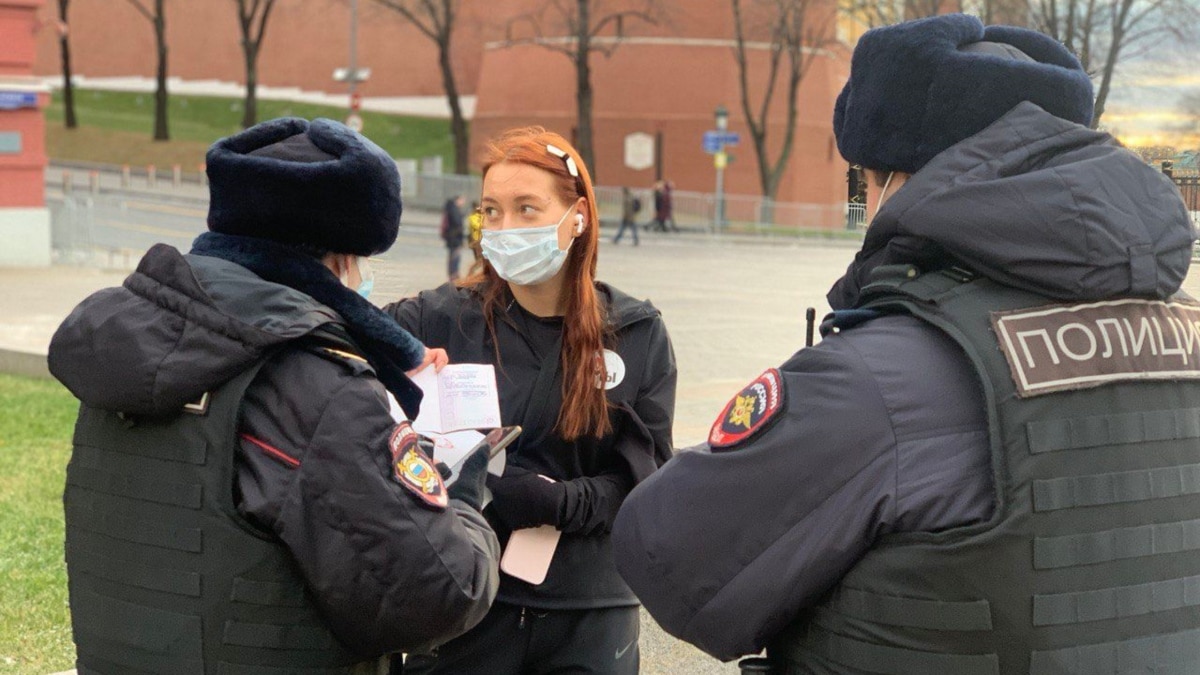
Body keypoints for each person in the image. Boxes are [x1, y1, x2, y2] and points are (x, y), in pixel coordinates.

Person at [613, 14, 1198, 674]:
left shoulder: (878, 380)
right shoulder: (1188, 332)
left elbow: (666, 555)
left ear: (905, 176)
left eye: (864, 175)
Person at [48, 117, 501, 673]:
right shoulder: (317, 387)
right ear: (337, 261)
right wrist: (462, 498)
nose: (361, 278)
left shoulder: (130, 344)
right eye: (360, 261)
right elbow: (440, 595)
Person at [387, 126, 677, 674]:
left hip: (588, 612)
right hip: (465, 601)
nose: (505, 227)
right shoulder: (435, 319)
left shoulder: (636, 333)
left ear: (579, 218)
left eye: (527, 209)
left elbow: (647, 480)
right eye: (491, 211)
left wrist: (559, 502)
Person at [442, 193, 467, 280]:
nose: (463, 202)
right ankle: (454, 274)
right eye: (462, 200)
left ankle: (452, 273)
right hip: (455, 237)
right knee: (455, 256)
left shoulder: (451, 208)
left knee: (452, 255)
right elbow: (457, 223)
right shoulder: (454, 209)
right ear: (458, 200)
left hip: (451, 236)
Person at [467, 198, 484, 272]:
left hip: (480, 240)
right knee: (480, 260)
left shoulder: (480, 216)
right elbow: (479, 226)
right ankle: (471, 273)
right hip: (477, 241)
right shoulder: (473, 217)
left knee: (481, 260)